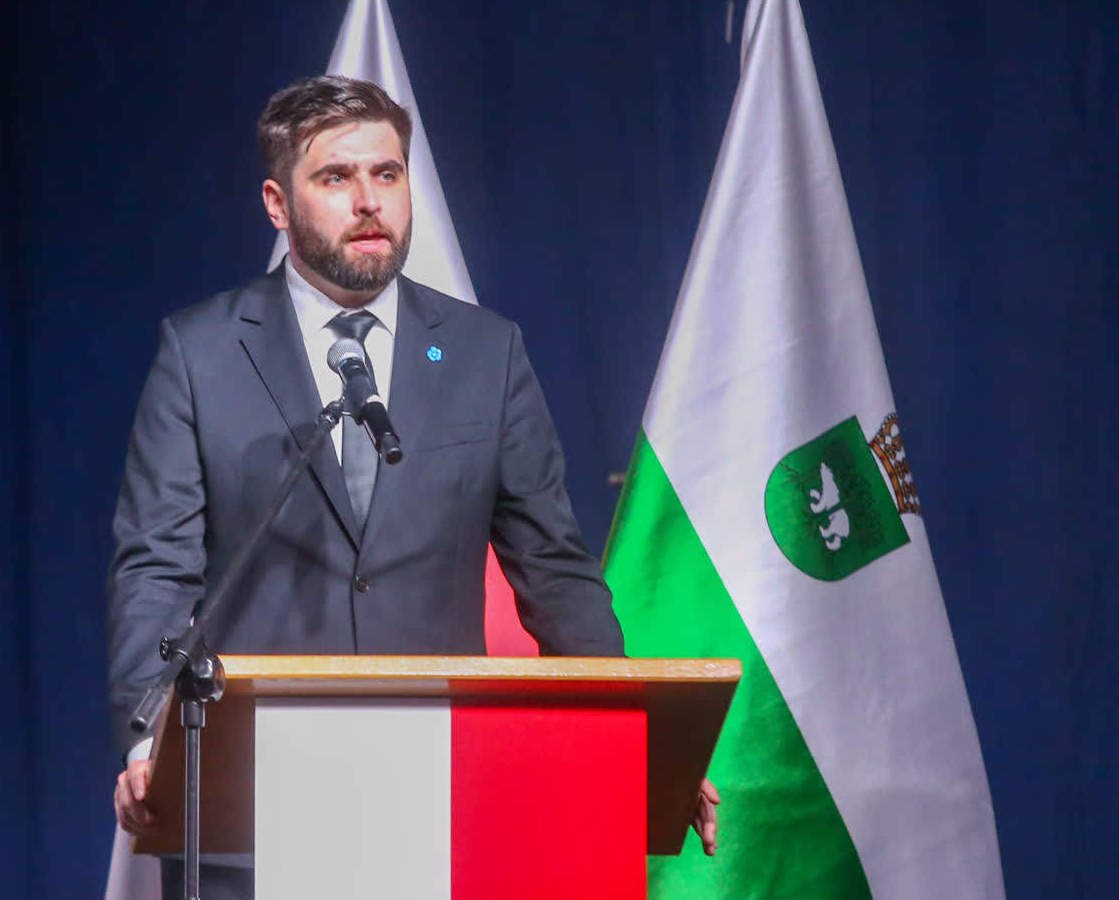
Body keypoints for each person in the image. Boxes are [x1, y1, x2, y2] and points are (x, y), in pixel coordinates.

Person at [107, 76, 716, 899]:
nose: (369, 201)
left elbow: (554, 571)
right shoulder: (201, 352)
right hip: (253, 791)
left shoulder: (484, 352)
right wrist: (149, 741)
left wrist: (632, 740)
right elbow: (156, 569)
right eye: (336, 177)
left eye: (387, 174)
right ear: (277, 204)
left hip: (439, 790)